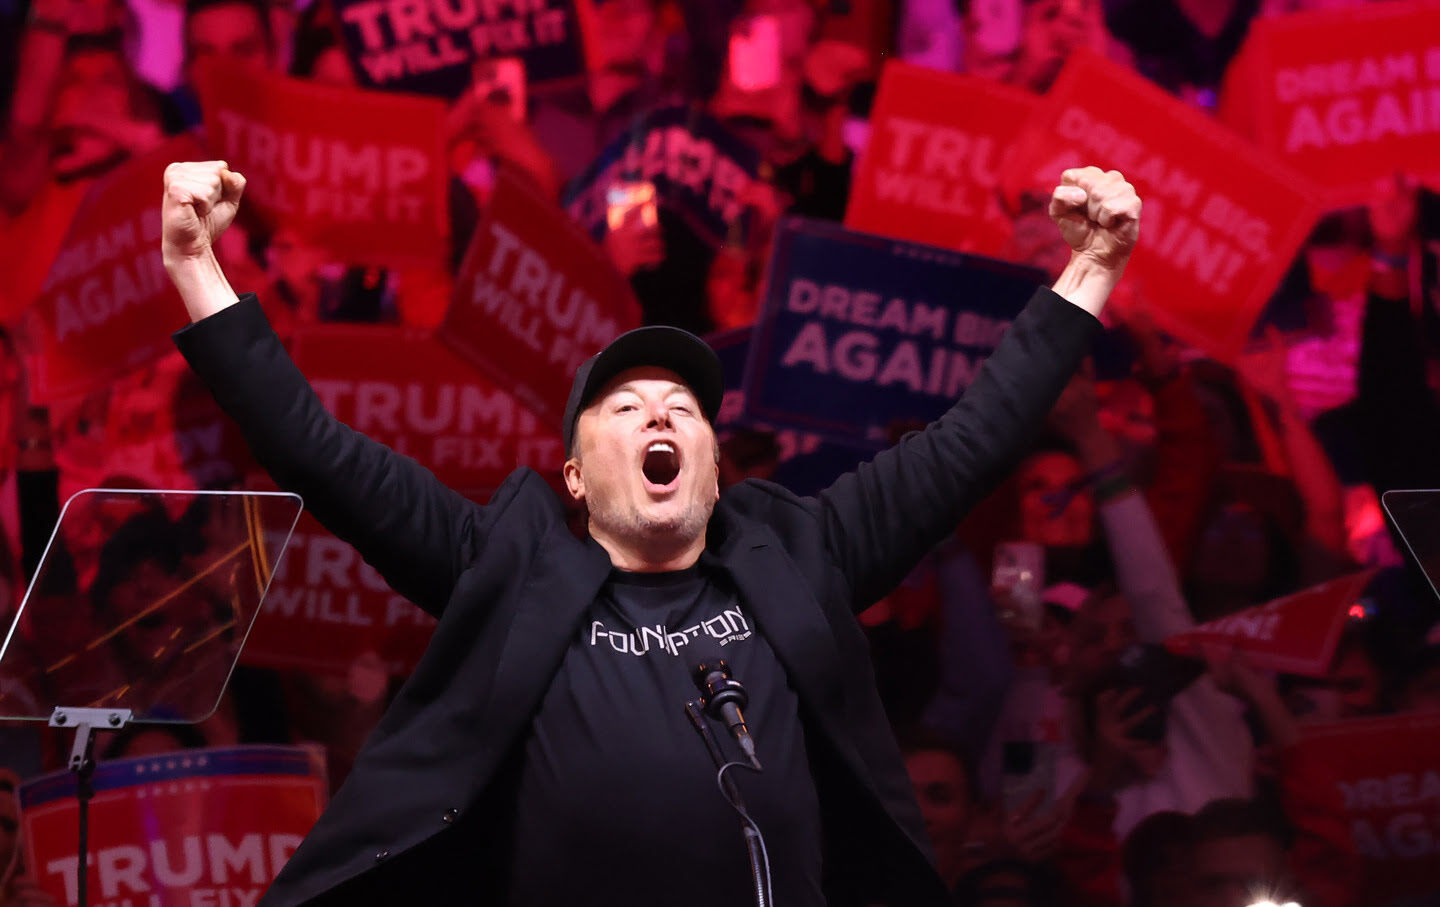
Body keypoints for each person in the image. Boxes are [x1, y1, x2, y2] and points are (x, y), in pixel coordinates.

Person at [158, 156, 1140, 905]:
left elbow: (971, 442)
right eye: (626, 410)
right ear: (577, 477)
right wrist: (199, 268)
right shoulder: (504, 561)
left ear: (715, 467)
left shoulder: (803, 547)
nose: (663, 415)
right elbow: (318, 453)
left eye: (683, 407)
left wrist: (1089, 271)